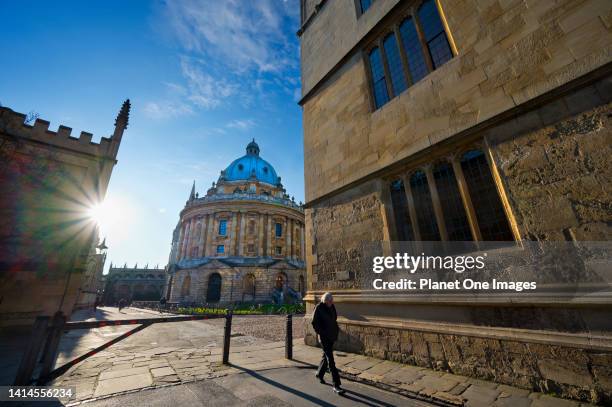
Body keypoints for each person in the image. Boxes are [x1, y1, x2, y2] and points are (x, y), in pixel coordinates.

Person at [312, 292, 344, 395]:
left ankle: (319, 374)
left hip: (331, 336)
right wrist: (322, 332)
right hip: (324, 337)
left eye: (332, 301)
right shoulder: (319, 308)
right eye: (329, 301)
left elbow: (334, 318)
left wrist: (335, 330)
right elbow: (314, 323)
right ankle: (336, 385)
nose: (331, 303)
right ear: (325, 301)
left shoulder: (332, 306)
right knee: (331, 360)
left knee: (325, 357)